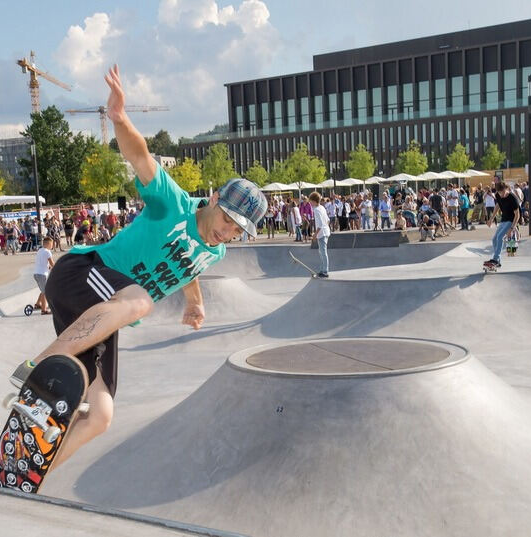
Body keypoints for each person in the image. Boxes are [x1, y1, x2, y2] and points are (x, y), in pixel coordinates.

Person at [22, 65, 267, 469]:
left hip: (101, 315)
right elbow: (141, 158)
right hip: (83, 273)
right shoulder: (173, 206)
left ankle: (33, 471)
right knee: (140, 302)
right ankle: (40, 367)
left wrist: (195, 303)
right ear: (214, 198)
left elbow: (191, 268)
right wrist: (120, 120)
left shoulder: (216, 251)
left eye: (238, 231)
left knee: (100, 416)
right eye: (228, 220)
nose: (228, 234)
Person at [485, 182, 521, 269]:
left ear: (506, 189)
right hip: (503, 220)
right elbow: (497, 205)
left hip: (511, 221)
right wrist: (491, 219)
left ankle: (495, 259)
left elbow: (517, 215)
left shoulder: (512, 198)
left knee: (500, 237)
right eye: (500, 193)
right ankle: (498, 262)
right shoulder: (498, 195)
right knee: (494, 240)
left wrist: (512, 228)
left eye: (503, 192)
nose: (501, 195)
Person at [32, 237, 55, 314]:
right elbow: (52, 263)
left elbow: (43, 263)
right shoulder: (48, 252)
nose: (52, 246)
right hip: (42, 274)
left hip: (36, 273)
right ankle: (44, 310)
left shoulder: (40, 250)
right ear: (48, 244)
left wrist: (48, 267)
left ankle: (38, 304)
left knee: (43, 290)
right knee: (46, 292)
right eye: (51, 244)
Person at [310, 191, 330, 278]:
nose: (310, 203)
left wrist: (315, 235)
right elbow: (327, 220)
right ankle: (323, 270)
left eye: (311, 201)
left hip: (322, 234)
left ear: (314, 201)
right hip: (325, 232)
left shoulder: (317, 210)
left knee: (323, 252)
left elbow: (320, 225)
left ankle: (325, 271)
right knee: (321, 252)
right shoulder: (322, 207)